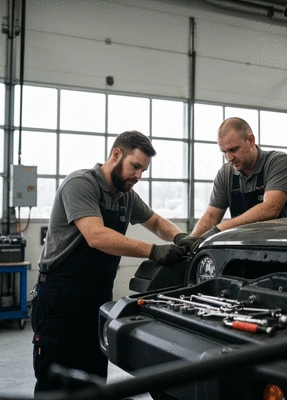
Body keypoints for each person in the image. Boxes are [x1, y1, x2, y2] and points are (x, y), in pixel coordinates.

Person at [31, 130, 186, 396]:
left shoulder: (125, 195)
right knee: (55, 383)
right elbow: (96, 235)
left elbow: (157, 222)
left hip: (98, 299)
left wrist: (183, 237)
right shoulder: (81, 183)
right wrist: (154, 251)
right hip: (60, 299)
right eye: (135, 166)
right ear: (116, 155)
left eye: (143, 171)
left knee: (93, 382)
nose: (138, 176)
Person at [175, 117, 287, 248]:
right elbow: (212, 216)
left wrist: (218, 230)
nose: (229, 158)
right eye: (224, 152)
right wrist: (191, 241)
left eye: (234, 149)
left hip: (284, 250)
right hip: (246, 250)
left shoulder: (279, 162)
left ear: (251, 140)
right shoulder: (225, 173)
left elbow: (270, 208)